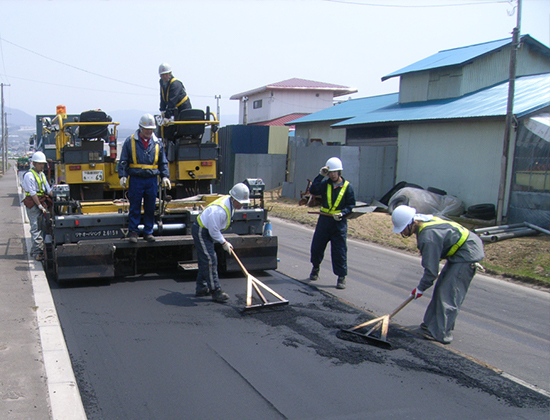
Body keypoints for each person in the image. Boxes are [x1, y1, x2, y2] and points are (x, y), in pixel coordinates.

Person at [391, 205, 485, 344]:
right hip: (459, 251)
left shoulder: (428, 237)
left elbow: (431, 271)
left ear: (412, 223)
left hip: (466, 254)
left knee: (449, 293)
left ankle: (441, 333)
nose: (402, 233)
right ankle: (429, 326)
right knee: (441, 288)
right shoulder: (424, 221)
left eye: (403, 229)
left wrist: (421, 288)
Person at [192, 183, 250, 303]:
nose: (242, 205)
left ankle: (201, 288)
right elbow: (214, 231)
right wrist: (224, 243)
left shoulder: (231, 204)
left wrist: (223, 242)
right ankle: (216, 291)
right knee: (210, 260)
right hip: (201, 230)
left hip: (208, 229)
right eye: (240, 202)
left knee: (206, 259)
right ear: (233, 198)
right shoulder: (219, 211)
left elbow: (214, 230)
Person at [118, 114, 171, 243]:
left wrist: (165, 176)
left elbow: (163, 162)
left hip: (151, 180)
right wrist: (123, 176)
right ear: (141, 128)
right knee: (135, 206)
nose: (149, 132)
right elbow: (124, 161)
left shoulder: (157, 143)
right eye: (147, 129)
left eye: (151, 129)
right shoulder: (130, 142)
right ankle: (133, 232)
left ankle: (148, 232)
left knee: (150, 207)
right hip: (136, 178)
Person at [309, 157, 356, 289]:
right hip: (324, 221)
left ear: (339, 172)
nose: (332, 175)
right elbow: (313, 190)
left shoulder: (348, 187)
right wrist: (320, 175)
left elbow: (350, 205)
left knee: (339, 251)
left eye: (334, 172)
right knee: (317, 248)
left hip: (338, 223)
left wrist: (342, 213)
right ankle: (315, 268)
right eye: (330, 172)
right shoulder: (325, 184)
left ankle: (341, 277)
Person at [21, 151, 53, 261]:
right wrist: (39, 206)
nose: (42, 165)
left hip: (42, 202)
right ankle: (37, 252)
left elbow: (48, 190)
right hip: (33, 203)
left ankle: (36, 249)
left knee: (44, 226)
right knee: (35, 228)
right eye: (40, 164)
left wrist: (57, 195)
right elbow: (33, 192)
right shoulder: (29, 175)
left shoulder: (42, 174)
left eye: (43, 164)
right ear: (34, 163)